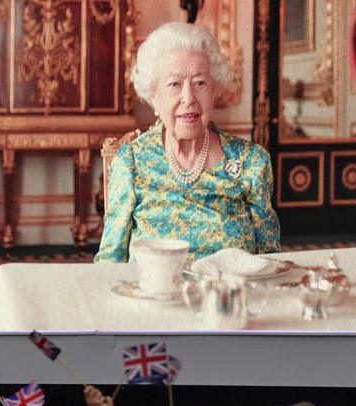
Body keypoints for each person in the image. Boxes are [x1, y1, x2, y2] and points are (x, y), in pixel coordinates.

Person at [95, 22, 280, 262]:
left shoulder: (251, 162)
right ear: (154, 95)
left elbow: (270, 260)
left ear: (214, 90)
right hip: (156, 295)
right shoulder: (132, 162)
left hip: (228, 296)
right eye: (174, 84)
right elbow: (110, 260)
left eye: (199, 83)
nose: (188, 98)